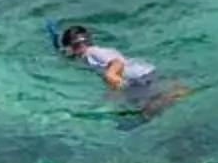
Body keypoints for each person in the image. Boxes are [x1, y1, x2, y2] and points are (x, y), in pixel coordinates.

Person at [53, 21, 188, 118]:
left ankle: (174, 92)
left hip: (138, 77)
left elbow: (116, 62)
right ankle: (173, 90)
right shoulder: (88, 54)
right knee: (138, 107)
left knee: (146, 111)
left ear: (74, 46)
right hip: (140, 75)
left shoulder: (93, 52)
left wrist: (110, 74)